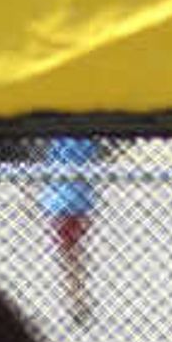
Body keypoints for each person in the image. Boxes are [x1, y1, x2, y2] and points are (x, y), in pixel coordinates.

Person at [36, 135, 101, 328]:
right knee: (74, 254)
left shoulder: (62, 140)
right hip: (78, 202)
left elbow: (49, 167)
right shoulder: (86, 141)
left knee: (70, 256)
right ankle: (77, 298)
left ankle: (76, 301)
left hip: (62, 203)